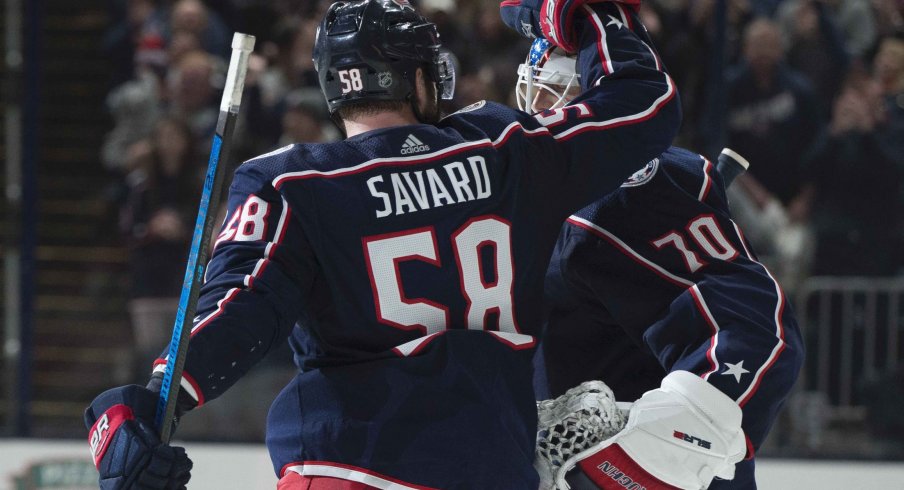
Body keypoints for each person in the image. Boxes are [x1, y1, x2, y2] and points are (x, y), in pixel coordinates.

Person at [84, 0, 680, 488]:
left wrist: (151, 402)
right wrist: (587, 15)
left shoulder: (290, 181)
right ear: (418, 77)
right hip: (484, 465)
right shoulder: (505, 147)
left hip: (344, 464)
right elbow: (646, 102)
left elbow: (237, 312)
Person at [516, 40, 804, 488]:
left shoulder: (628, 198)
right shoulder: (539, 190)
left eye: (555, 88)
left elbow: (750, 332)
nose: (538, 105)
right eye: (533, 88)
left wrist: (641, 460)